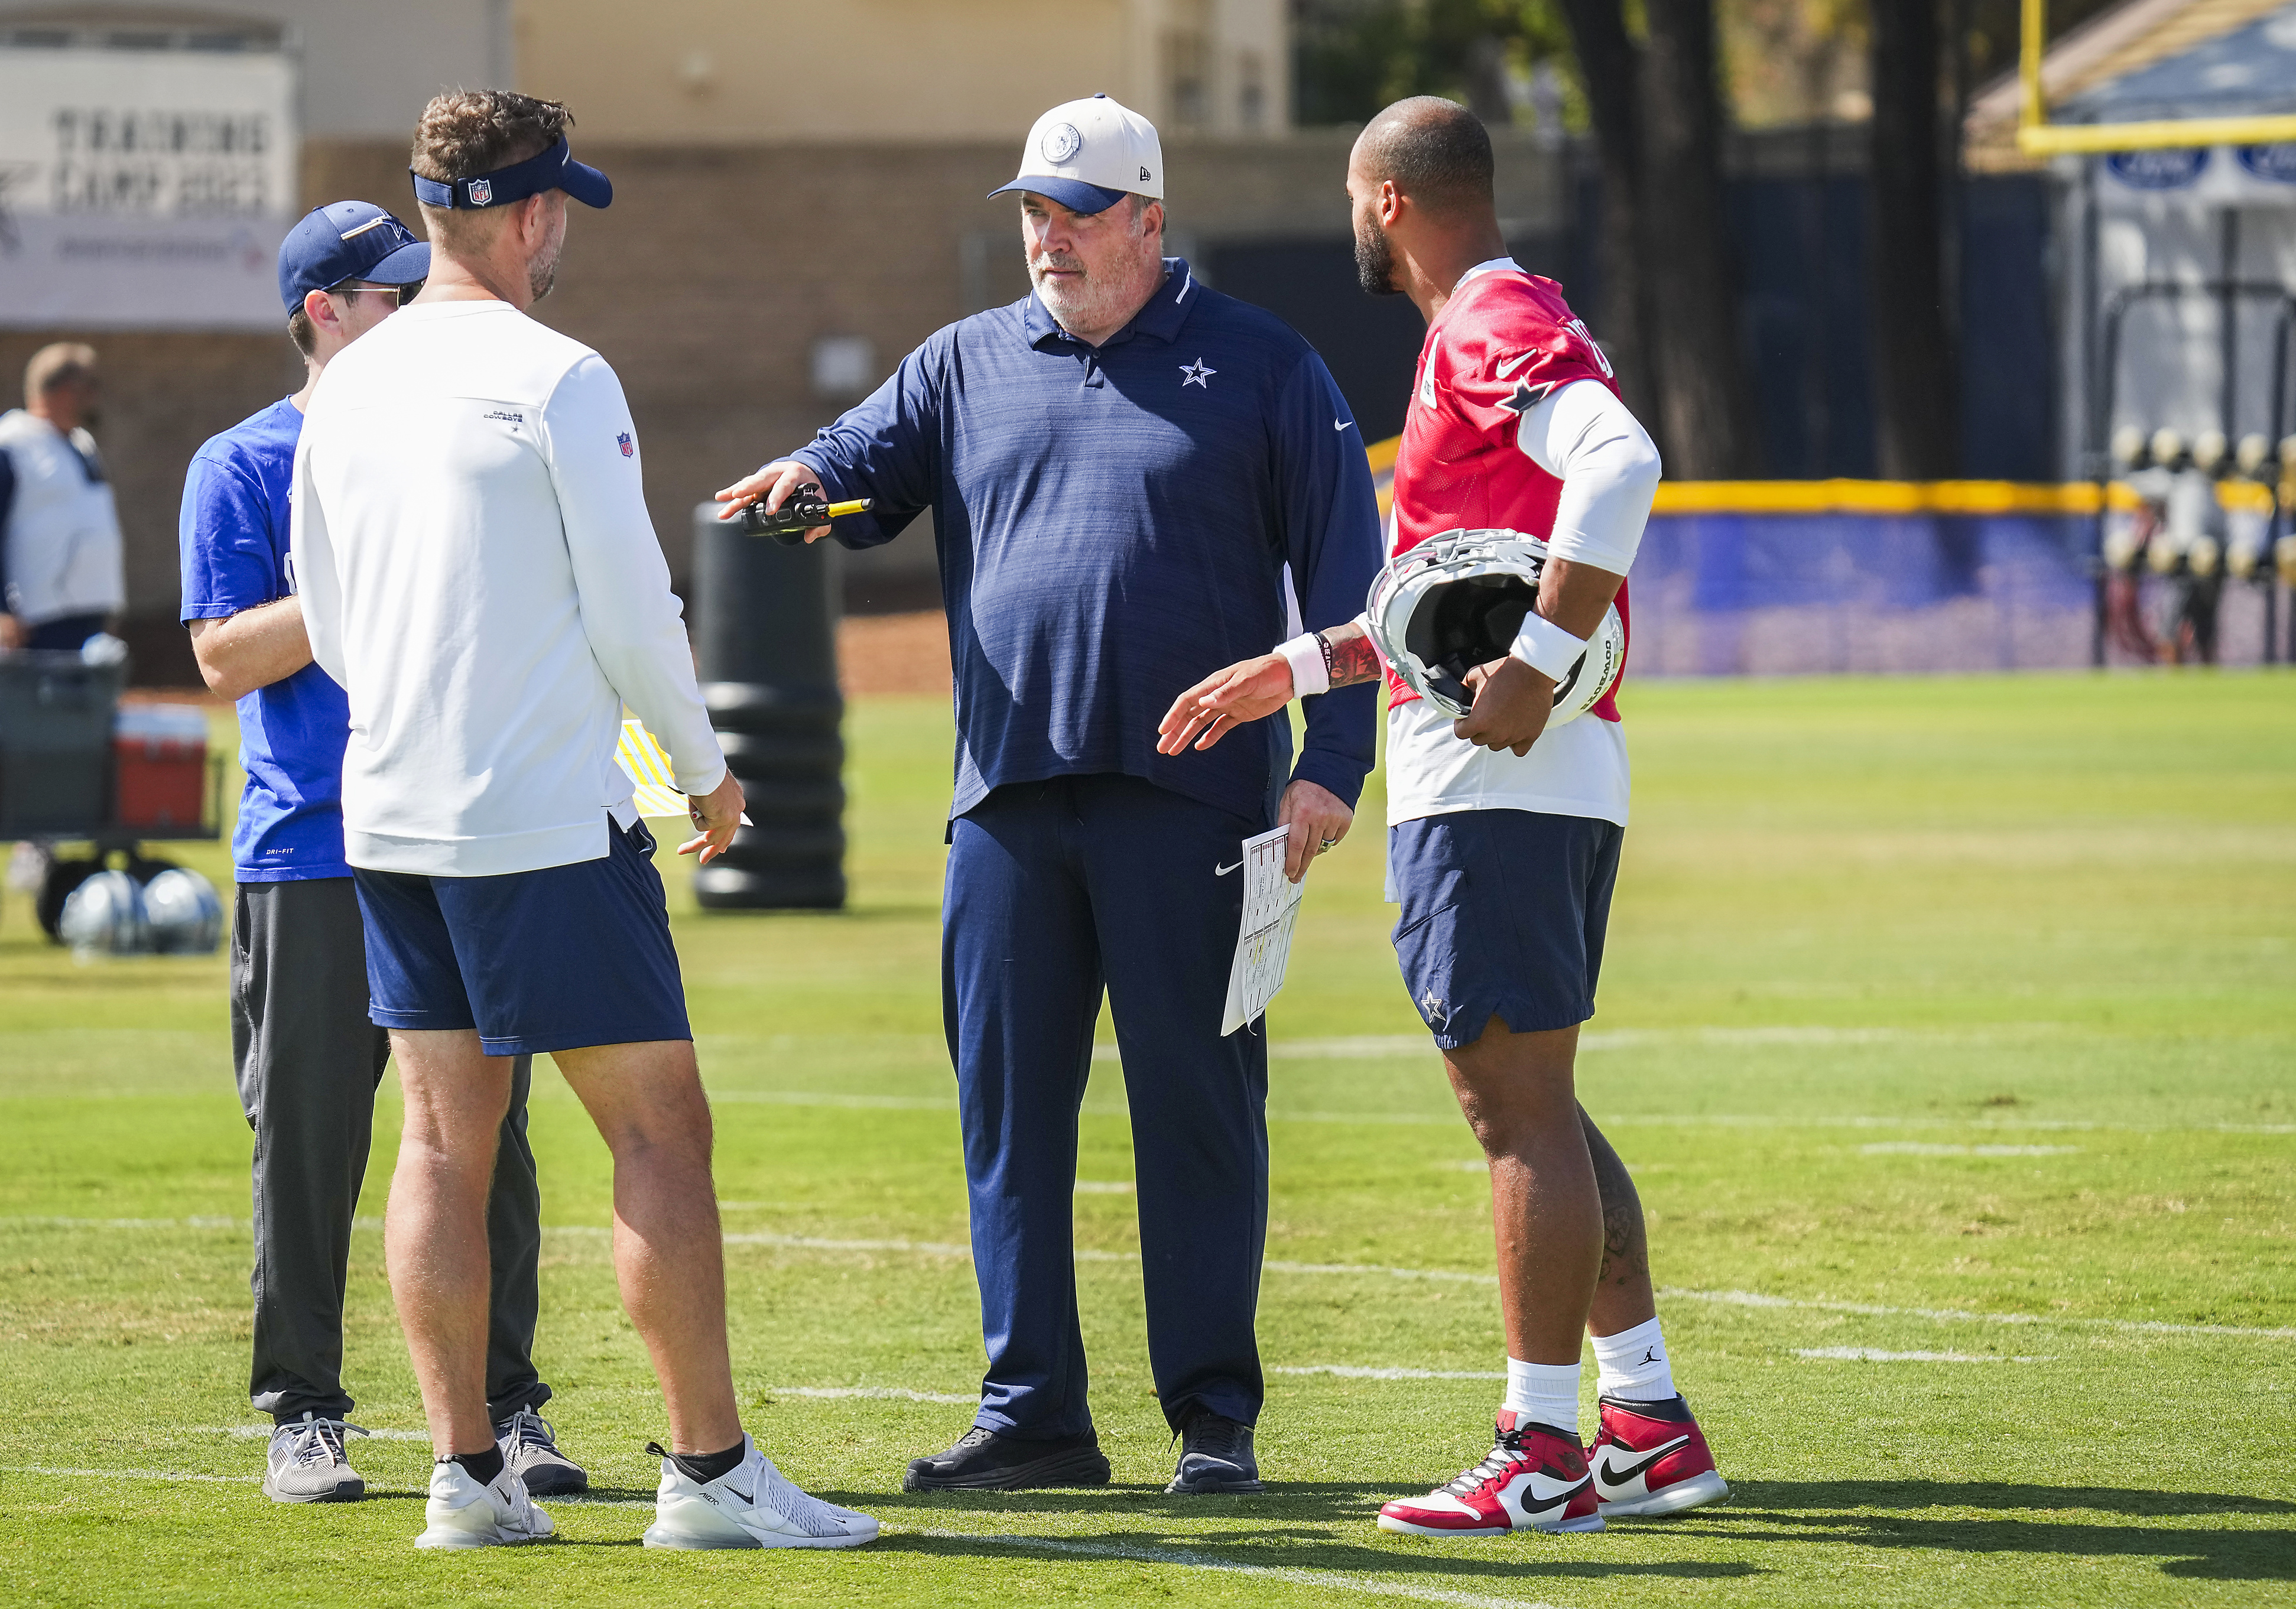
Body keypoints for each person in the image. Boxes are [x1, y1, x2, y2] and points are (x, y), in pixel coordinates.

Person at [716, 92, 1383, 1496]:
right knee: (1007, 1118)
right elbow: (856, 462)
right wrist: (807, 478)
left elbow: (1347, 585)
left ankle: (1213, 1420)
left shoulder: (1264, 364)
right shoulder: (965, 361)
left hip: (1196, 804)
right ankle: (1036, 1416)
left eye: (1075, 217)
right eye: (1030, 214)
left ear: (1148, 219)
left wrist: (1331, 770)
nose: (1047, 241)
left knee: (1196, 1109)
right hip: (1008, 802)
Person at [291, 89, 876, 1553]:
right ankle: (710, 1473)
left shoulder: (343, 381)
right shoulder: (561, 376)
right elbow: (635, 607)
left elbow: (336, 618)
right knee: (659, 1134)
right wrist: (702, 766)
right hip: (538, 817)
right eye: (562, 212)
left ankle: (464, 1480)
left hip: (390, 811)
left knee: (438, 1142)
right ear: (531, 211)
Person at [1158, 96, 1729, 1535]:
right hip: (1517, 776)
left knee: (1513, 1109)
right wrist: (1287, 670)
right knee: (1536, 1101)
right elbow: (1433, 611)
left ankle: (1541, 1456)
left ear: (1388, 201)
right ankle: (1646, 1421)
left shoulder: (1486, 321)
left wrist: (1537, 667)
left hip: (1507, 783)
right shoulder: (1474, 332)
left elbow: (1623, 461)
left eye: (1354, 199)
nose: (1352, 222)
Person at [179, 201, 587, 1505]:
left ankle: (509, 1410)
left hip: (455, 831)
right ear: (324, 314)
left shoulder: (454, 440)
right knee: (305, 1139)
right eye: (389, 295)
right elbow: (223, 654)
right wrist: (366, 569)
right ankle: (303, 1411)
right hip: (309, 851)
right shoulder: (241, 462)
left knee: (492, 1145)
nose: (417, 312)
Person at [0, 343, 124, 650]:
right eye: (89, 386)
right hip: (36, 618)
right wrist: (1, 611)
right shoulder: (7, 447)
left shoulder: (82, 443)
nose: (95, 396)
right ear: (62, 389)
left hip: (89, 611)